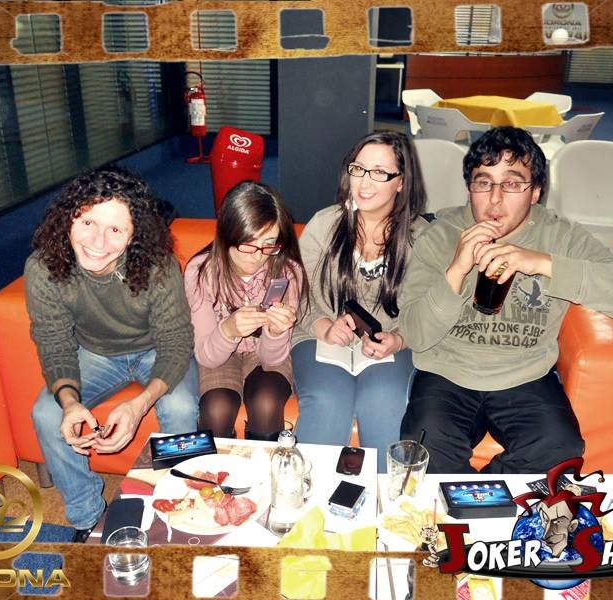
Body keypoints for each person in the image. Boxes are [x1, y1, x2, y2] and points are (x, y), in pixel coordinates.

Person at [399, 127, 613, 473]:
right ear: (469, 189)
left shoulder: (560, 236)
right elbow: (415, 335)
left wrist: (543, 264)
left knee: (560, 450)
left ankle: (482, 498)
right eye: (483, 182)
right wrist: (457, 269)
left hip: (525, 374)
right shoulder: (440, 235)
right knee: (423, 451)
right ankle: (470, 500)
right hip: (447, 372)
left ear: (535, 191)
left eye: (511, 184)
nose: (495, 199)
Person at [26, 166, 198, 542]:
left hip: (157, 349)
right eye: (88, 222)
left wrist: (138, 406)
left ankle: (175, 505)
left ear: (134, 234)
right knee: (47, 412)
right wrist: (70, 402)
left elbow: (175, 341)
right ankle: (88, 516)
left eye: (116, 230)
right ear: (69, 218)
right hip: (95, 353)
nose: (98, 241)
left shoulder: (156, 265)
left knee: (181, 408)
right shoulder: (43, 268)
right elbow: (53, 342)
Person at [292, 131, 428, 471]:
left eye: (379, 172)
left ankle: (386, 498)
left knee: (384, 400)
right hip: (319, 336)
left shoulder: (421, 238)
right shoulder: (324, 225)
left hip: (391, 345)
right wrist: (322, 325)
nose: (364, 182)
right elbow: (297, 294)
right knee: (327, 400)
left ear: (401, 182)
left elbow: (429, 309)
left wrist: (399, 339)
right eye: (358, 169)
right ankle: (313, 496)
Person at [184, 181, 306, 440]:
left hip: (265, 356)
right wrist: (228, 330)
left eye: (269, 243)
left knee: (266, 401)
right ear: (227, 234)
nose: (258, 255)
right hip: (217, 353)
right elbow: (207, 357)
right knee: (217, 408)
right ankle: (217, 466)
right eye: (248, 244)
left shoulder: (288, 272)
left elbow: (273, 359)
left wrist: (275, 332)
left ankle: (264, 464)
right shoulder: (201, 271)